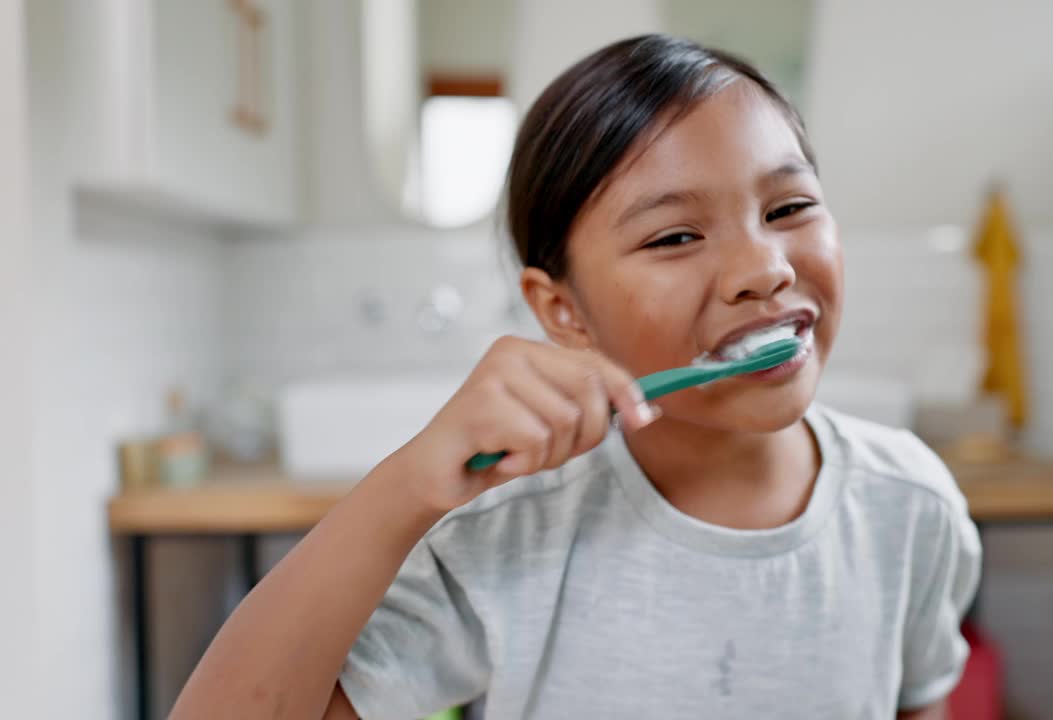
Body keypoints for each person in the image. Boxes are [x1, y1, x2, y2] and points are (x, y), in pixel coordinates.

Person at [172, 33, 981, 720]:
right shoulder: (508, 535)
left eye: (788, 208)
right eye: (673, 237)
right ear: (562, 312)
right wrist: (406, 488)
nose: (764, 269)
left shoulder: (911, 506)